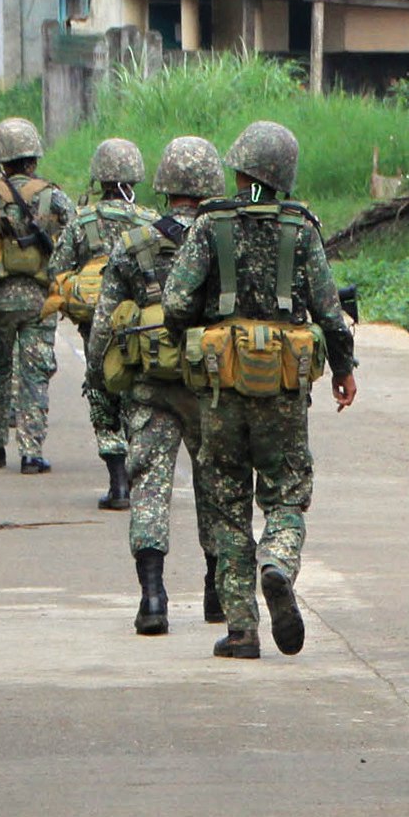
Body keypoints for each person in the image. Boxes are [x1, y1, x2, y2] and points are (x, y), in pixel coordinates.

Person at [161, 121, 357, 660]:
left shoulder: (210, 224)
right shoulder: (302, 229)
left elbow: (175, 303)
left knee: (226, 503)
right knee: (286, 493)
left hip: (220, 389)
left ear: (240, 168)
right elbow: (330, 312)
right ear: (284, 174)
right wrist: (343, 369)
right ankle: (278, 562)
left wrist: (197, 338)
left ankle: (242, 631)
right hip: (284, 391)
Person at [84, 136, 227, 635]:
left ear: (164, 186)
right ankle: (217, 593)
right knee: (216, 485)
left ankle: (152, 597)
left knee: (148, 486)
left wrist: (99, 385)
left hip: (150, 388)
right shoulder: (224, 241)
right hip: (209, 386)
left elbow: (102, 331)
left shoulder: (133, 244)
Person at [0, 118, 75, 474]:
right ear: (34, 158)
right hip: (40, 300)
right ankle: (31, 454)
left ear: (1, 158)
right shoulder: (53, 196)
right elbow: (75, 238)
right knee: (34, 375)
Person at [50, 138, 154, 509]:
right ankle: (142, 478)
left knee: (102, 393)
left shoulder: (82, 221)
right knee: (138, 397)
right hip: (139, 328)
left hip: (96, 327)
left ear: (99, 176)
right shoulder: (149, 221)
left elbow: (56, 269)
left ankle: (118, 484)